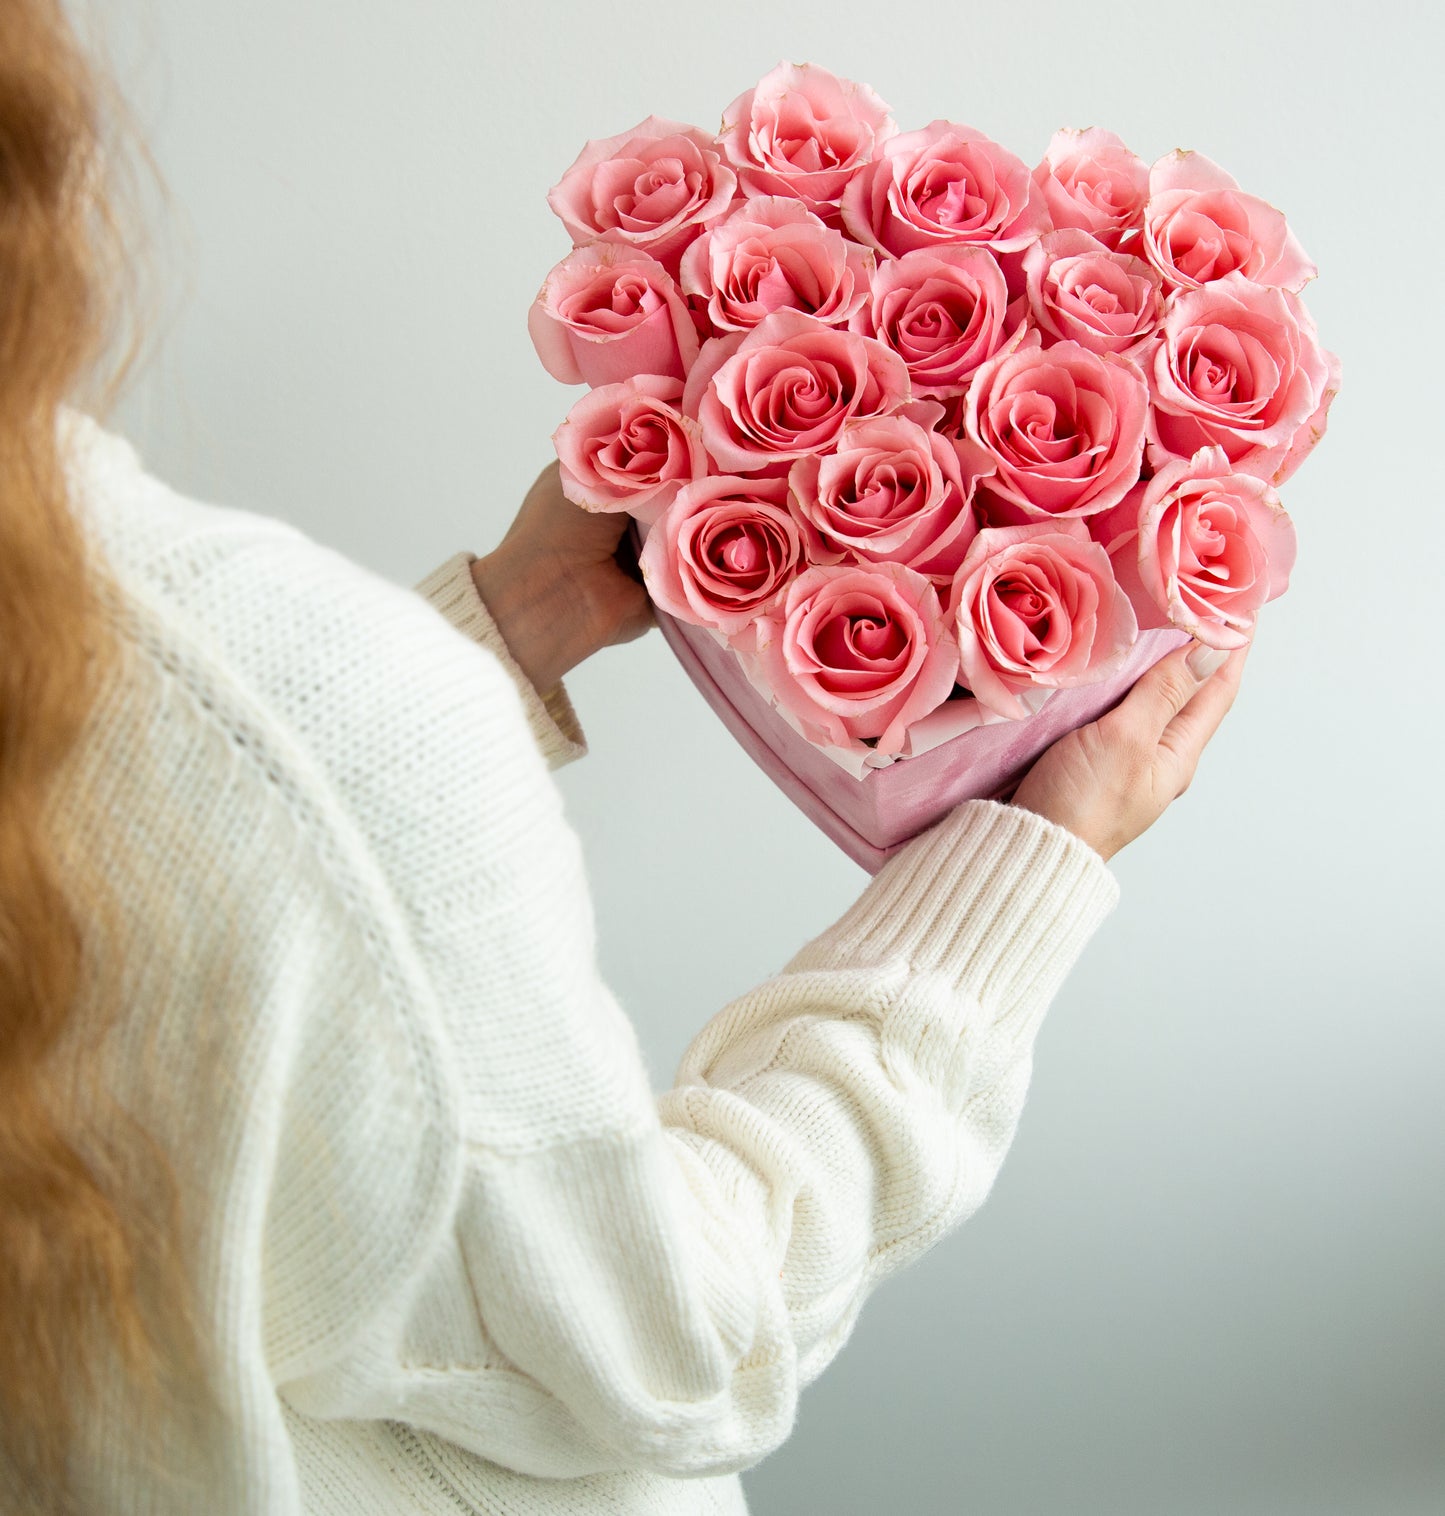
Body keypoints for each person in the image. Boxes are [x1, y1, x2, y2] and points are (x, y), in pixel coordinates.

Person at [0, 5, 1245, 1514]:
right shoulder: (289, 726)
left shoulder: (174, 691)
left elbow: (187, 890)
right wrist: (1004, 895)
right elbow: (672, 1347)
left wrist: (490, 637)